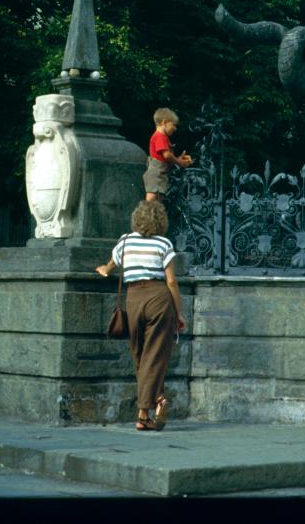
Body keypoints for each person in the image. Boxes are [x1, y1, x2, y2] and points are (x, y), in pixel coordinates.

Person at [96, 200, 187, 431]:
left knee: (140, 355)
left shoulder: (125, 241)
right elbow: (171, 282)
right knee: (153, 355)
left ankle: (144, 415)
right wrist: (179, 313)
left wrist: (104, 269)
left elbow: (110, 265)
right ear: (161, 221)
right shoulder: (164, 244)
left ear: (136, 218)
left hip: (134, 298)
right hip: (159, 298)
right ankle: (155, 402)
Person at [143, 108, 193, 201]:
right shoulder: (160, 136)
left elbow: (165, 157)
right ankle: (146, 211)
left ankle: (152, 211)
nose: (175, 128)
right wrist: (179, 162)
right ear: (165, 122)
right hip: (156, 174)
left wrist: (178, 159)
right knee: (151, 201)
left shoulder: (162, 137)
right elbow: (167, 155)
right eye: (174, 125)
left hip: (159, 173)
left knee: (157, 200)